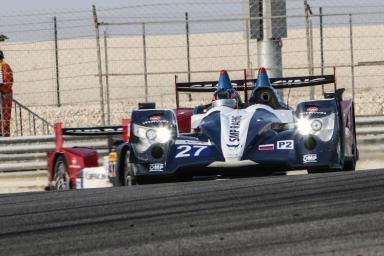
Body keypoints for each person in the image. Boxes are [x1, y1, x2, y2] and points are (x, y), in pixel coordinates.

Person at [0, 50, 13, 136]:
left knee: (5, 114)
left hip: (5, 94)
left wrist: (2, 88)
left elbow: (8, 82)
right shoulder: (5, 66)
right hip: (5, 93)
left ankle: (4, 132)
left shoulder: (5, 67)